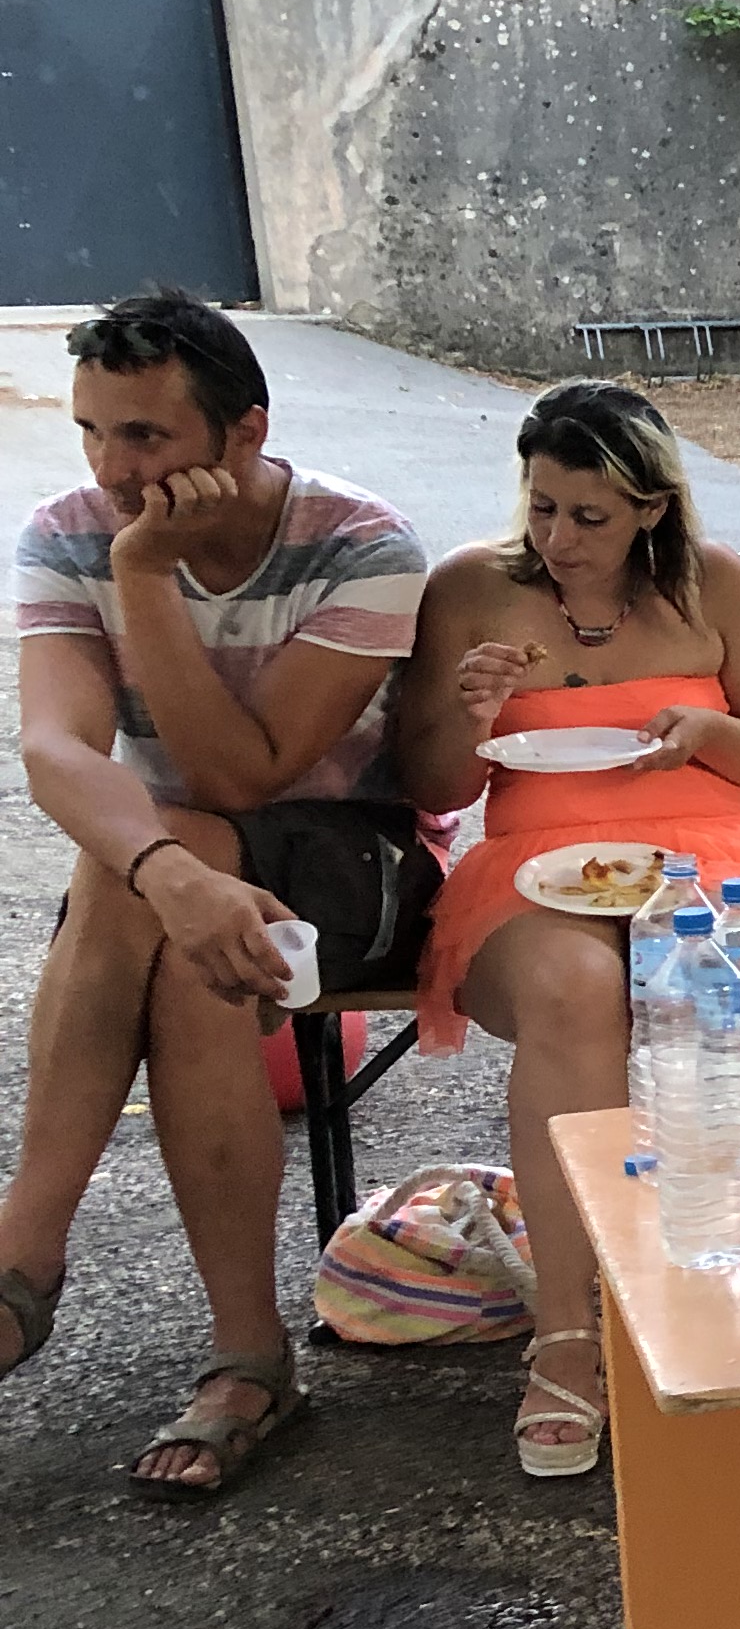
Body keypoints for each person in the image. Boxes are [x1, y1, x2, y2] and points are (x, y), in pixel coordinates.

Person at [5, 292, 439, 1496]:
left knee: (173, 838)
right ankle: (245, 1360)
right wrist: (171, 873)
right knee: (161, 889)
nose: (109, 467)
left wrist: (142, 579)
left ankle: (21, 1265)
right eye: (90, 431)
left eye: (144, 438)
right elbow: (56, 752)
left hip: (360, 863)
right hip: (159, 880)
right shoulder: (62, 528)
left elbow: (245, 770)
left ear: (244, 431)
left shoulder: (361, 542)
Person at [400, 382, 740, 1477]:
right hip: (530, 858)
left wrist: (707, 731)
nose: (559, 539)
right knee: (573, 992)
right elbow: (431, 784)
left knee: (728, 972)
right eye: (542, 508)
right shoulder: (470, 588)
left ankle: (734, 1289)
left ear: (650, 507)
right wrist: (472, 714)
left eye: (589, 516)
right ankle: (568, 1332)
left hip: (706, 846)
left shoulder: (714, 583)